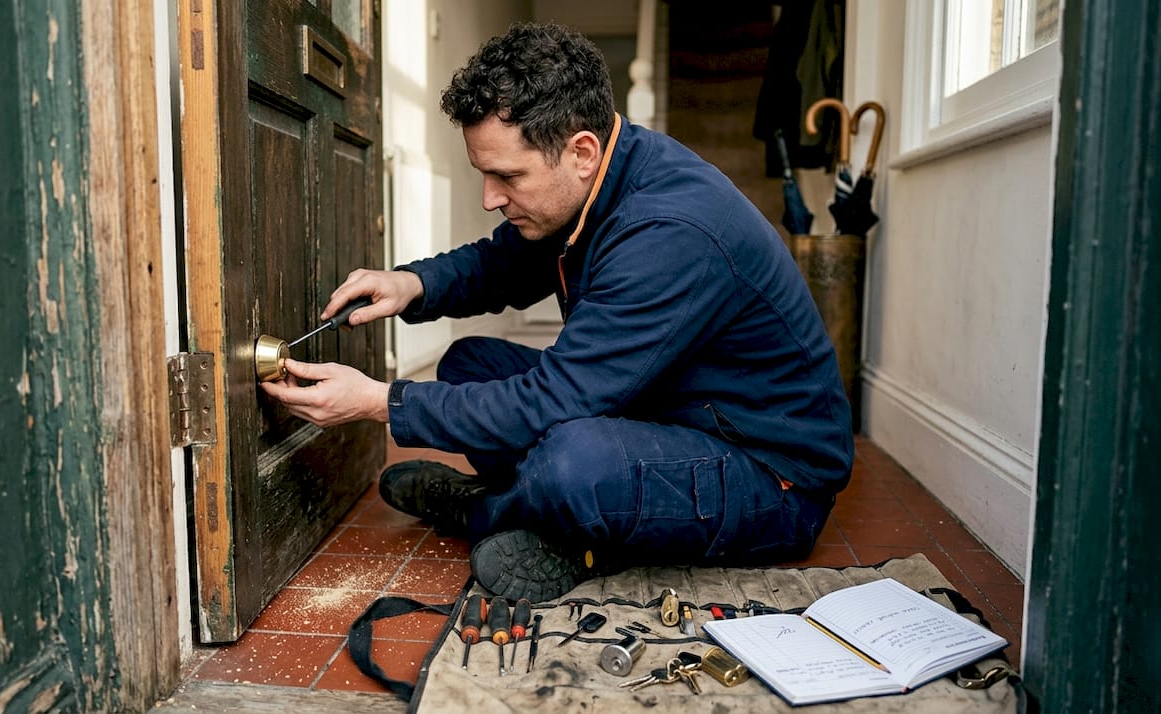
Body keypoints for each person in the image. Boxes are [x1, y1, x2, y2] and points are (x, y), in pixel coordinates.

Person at [260, 22, 852, 603]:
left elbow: (556, 400)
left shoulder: (670, 232)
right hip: (677, 410)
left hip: (771, 476)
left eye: (507, 176)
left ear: (582, 152)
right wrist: (412, 283)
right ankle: (540, 509)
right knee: (469, 363)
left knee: (574, 463)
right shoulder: (601, 179)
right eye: (484, 173)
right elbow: (504, 264)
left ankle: (485, 507)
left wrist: (378, 403)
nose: (490, 198)